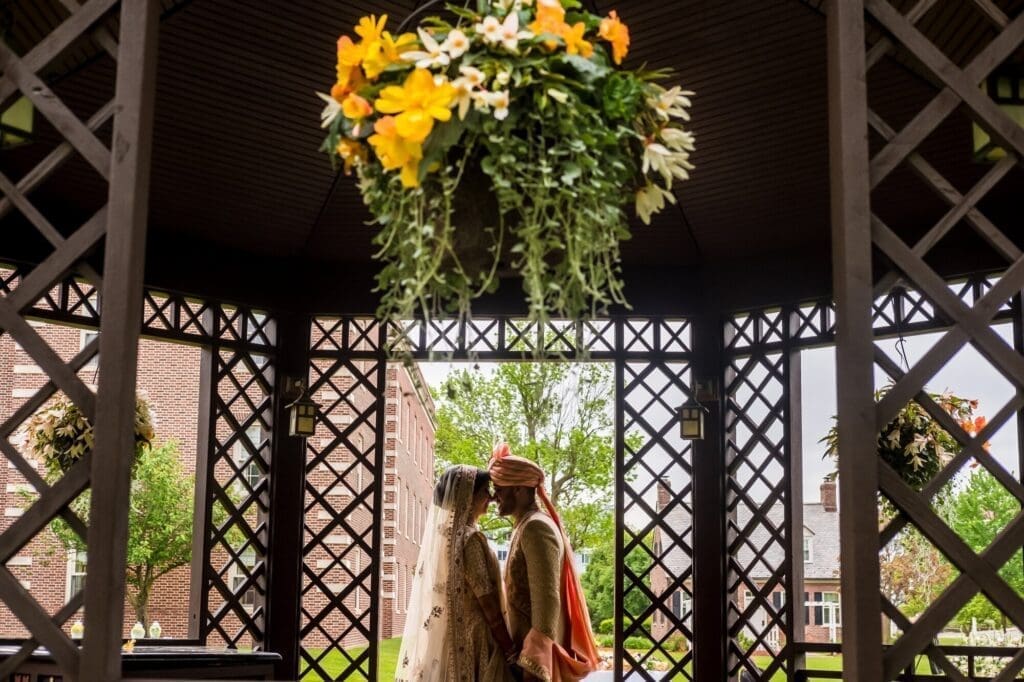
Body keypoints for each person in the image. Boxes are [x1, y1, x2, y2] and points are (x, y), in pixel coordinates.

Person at [489, 443, 600, 682]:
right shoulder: (526, 524)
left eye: (499, 489)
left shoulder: (536, 527)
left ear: (518, 489)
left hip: (535, 664)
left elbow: (547, 602)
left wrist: (534, 665)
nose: (493, 496)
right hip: (522, 654)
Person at [396, 465, 517, 682]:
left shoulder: (445, 538)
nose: (491, 498)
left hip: (448, 634)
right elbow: (487, 601)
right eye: (485, 491)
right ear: (468, 497)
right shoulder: (470, 540)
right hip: (474, 638)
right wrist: (509, 648)